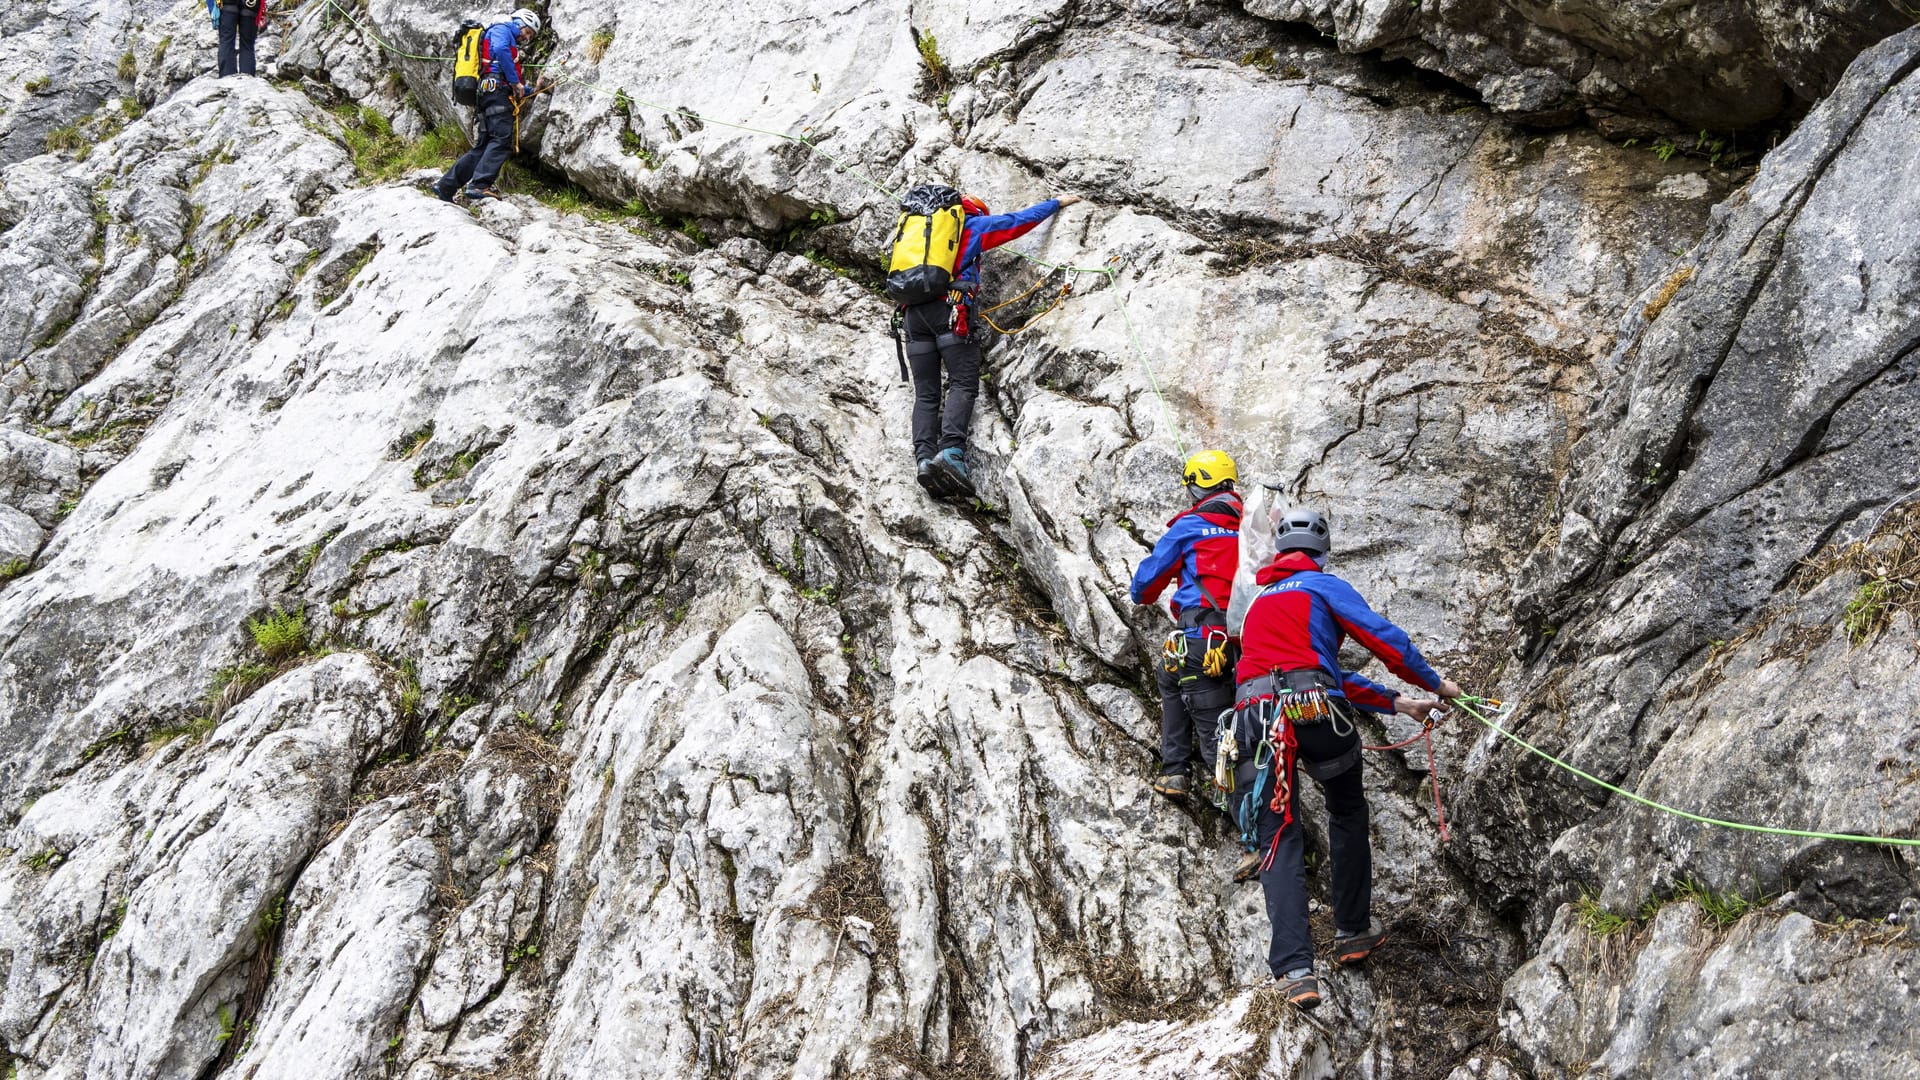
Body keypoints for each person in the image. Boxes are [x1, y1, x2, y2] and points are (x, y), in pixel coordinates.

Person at [1234, 507, 1463, 1010]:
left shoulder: (1255, 606)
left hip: (1254, 717)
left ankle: (1295, 971)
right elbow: (1382, 638)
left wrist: (1397, 703)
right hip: (1316, 713)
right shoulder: (1322, 586)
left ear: (1280, 553)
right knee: (1346, 809)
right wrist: (1436, 684)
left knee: (1278, 833)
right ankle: (1353, 931)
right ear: (1320, 553)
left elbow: (1312, 668)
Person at [908, 191, 1081, 498]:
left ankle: (924, 460)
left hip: (912, 315)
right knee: (962, 382)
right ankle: (950, 455)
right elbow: (1017, 222)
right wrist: (1055, 202)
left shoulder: (919, 233)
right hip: (950, 311)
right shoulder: (972, 226)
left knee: (926, 393)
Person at [432, 9, 547, 203]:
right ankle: (479, 185)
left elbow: (514, 87)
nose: (526, 37)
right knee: (501, 141)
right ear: (518, 21)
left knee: (483, 146)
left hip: (488, 93)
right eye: (527, 31)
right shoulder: (502, 28)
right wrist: (514, 82)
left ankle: (445, 186)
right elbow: (502, 52)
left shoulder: (499, 36)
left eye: (530, 36)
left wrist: (531, 89)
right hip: (497, 93)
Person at [207, 0, 268, 78]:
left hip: (227, 5)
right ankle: (248, 79)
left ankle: (227, 78)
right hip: (251, 4)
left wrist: (212, 8)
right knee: (247, 45)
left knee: (226, 41)